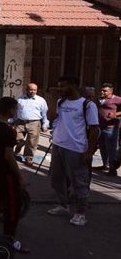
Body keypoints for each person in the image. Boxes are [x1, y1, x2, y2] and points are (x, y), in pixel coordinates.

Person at [47, 76, 100, 227]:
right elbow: (50, 117)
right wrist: (53, 99)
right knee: (56, 179)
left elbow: (94, 129)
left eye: (63, 86)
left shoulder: (87, 105)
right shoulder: (60, 102)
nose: (60, 89)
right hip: (58, 145)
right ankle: (63, 205)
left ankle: (80, 213)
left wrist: (89, 152)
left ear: (74, 86)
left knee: (78, 181)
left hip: (76, 148)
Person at [0, 97, 28, 253]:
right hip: (4, 173)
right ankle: (8, 238)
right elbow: (8, 156)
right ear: (10, 110)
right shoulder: (9, 130)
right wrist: (20, 176)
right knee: (12, 206)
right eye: (15, 109)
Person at [13, 83, 50, 167]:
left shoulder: (41, 100)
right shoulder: (20, 99)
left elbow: (44, 114)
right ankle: (18, 147)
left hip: (34, 123)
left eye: (34, 90)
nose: (33, 91)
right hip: (20, 122)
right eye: (31, 89)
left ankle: (28, 158)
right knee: (16, 138)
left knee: (32, 142)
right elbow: (16, 111)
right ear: (26, 90)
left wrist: (45, 124)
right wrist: (12, 120)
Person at [98, 83, 121, 176]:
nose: (102, 92)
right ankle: (105, 165)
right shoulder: (100, 99)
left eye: (105, 91)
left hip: (110, 128)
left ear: (111, 91)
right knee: (102, 147)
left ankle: (113, 169)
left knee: (111, 148)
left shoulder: (116, 99)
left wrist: (116, 114)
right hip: (100, 127)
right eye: (102, 90)